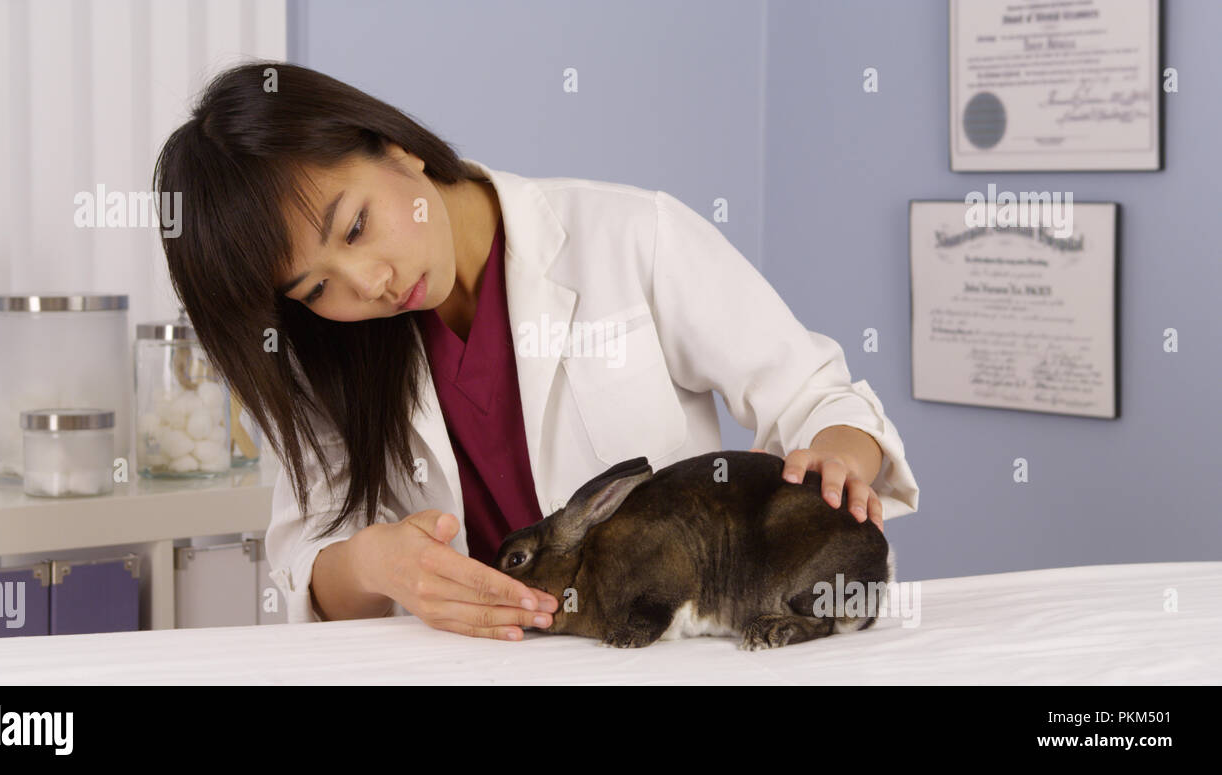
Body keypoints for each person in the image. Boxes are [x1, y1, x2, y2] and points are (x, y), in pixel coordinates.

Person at [153, 61, 919, 642]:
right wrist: (373, 564)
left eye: (353, 226)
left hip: (644, 656)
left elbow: (814, 395)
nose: (369, 284)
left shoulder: (631, 236)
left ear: (396, 149)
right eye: (316, 287)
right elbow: (305, 557)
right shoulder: (325, 349)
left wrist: (840, 448)